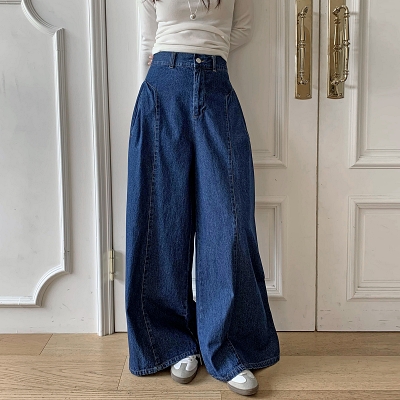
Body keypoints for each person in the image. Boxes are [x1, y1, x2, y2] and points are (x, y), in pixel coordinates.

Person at [125, 0, 280, 396]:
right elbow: (147, 38)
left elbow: (242, 29)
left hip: (216, 88)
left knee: (227, 222)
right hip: (162, 89)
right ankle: (172, 342)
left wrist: (207, 48)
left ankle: (227, 345)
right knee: (160, 220)